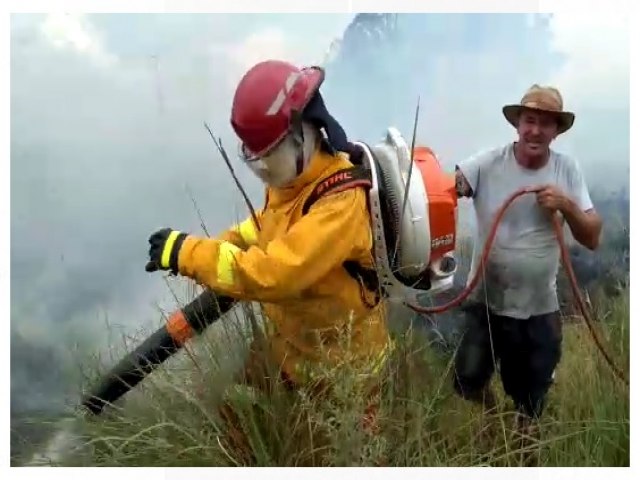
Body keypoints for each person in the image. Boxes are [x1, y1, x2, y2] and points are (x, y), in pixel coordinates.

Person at [143, 60, 391, 432]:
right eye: (252, 157)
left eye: (267, 155)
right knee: (238, 416)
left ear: (303, 132)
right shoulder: (291, 181)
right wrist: (204, 249)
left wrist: (189, 253)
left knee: (330, 457)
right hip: (288, 350)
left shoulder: (341, 203)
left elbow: (274, 273)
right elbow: (260, 228)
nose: (260, 169)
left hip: (341, 369)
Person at [452, 84, 602, 426]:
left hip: (537, 310)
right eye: (530, 120)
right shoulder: (488, 163)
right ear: (518, 124)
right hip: (486, 301)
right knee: (467, 381)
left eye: (546, 123)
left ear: (556, 131)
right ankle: (492, 423)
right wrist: (455, 185)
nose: (536, 130)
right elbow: (457, 183)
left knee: (530, 399)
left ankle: (522, 454)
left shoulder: (567, 170)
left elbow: (592, 236)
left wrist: (566, 205)